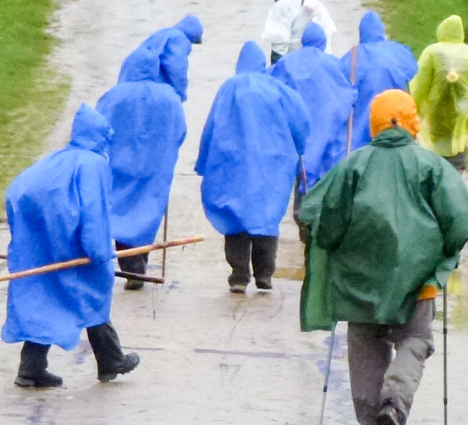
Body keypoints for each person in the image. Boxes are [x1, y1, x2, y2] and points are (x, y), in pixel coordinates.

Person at [297, 90, 468, 425]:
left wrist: (327, 245)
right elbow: (460, 223)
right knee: (415, 340)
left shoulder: (353, 166)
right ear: (413, 121)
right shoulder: (433, 167)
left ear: (373, 123)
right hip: (419, 279)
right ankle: (394, 404)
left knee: (365, 349)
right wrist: (441, 259)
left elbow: (320, 217)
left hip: (360, 282)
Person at [1, 105, 142, 388]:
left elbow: (18, 191)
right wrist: (99, 252)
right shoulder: (93, 164)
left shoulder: (57, 159)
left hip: (43, 243)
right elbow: (94, 214)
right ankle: (111, 360)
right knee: (92, 295)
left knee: (47, 298)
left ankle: (32, 369)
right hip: (72, 245)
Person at [196, 41, 310, 293]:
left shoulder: (229, 88)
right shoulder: (278, 90)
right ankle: (264, 273)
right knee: (266, 216)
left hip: (232, 164)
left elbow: (211, 126)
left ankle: (238, 274)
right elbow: (300, 122)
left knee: (234, 216)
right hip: (272, 164)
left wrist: (203, 161)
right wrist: (300, 148)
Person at [96, 45, 188, 289]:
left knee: (120, 213)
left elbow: (97, 128)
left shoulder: (114, 96)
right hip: (155, 168)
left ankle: (131, 268)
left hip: (119, 166)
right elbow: (180, 131)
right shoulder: (170, 97)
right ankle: (138, 265)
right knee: (146, 213)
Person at [271, 21, 355, 189]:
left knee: (302, 159)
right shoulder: (334, 64)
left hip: (299, 123)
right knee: (325, 160)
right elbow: (348, 93)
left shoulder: (287, 62)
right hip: (327, 121)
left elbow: (272, 85)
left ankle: (302, 195)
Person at [409, 14, 468, 173]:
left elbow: (419, 84)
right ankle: (455, 180)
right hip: (461, 109)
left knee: (432, 146)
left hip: (434, 109)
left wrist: (413, 108)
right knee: (457, 142)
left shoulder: (431, 52)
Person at [343, 11, 417, 149]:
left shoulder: (351, 58)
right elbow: (412, 70)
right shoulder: (398, 52)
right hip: (396, 125)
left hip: (363, 132)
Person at [121, 14, 203, 102]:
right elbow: (176, 67)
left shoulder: (164, 32)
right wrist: (179, 95)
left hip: (131, 70)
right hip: (149, 77)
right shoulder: (179, 38)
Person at [261, 0, 335, 63]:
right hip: (321, 57)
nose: (275, 0)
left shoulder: (283, 5)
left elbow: (279, 39)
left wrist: (275, 67)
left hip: (295, 60)